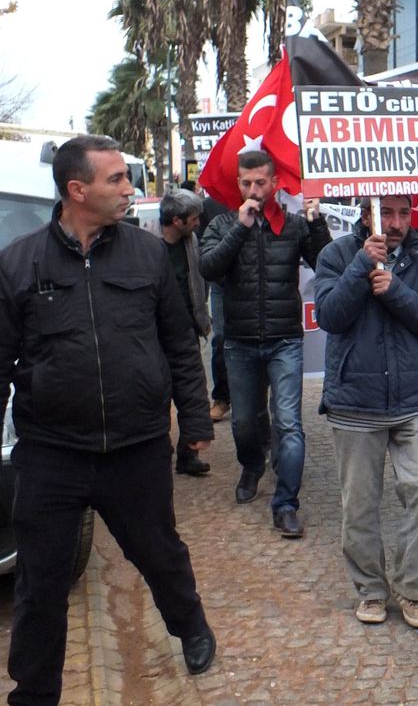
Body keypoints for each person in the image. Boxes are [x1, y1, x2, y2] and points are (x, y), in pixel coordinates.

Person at [0, 136, 217, 703]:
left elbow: (178, 343)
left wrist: (195, 420)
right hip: (51, 452)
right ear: (78, 190)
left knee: (159, 552)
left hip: (136, 446)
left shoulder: (146, 255)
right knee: (40, 583)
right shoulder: (19, 262)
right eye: (117, 179)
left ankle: (189, 624)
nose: (130, 189)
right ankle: (33, 692)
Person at [314, 195, 418, 629]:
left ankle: (411, 589)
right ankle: (371, 590)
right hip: (356, 401)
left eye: (403, 213)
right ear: (364, 210)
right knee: (359, 507)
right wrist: (360, 268)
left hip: (412, 400)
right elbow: (329, 316)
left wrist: (395, 289)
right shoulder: (336, 254)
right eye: (385, 212)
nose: (394, 223)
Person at [199, 149, 331, 538]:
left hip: (284, 340)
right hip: (239, 342)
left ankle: (286, 504)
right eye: (246, 182)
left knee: (289, 423)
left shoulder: (292, 225)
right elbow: (209, 268)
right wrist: (240, 228)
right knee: (244, 423)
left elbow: (325, 262)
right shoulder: (222, 224)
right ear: (237, 184)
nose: (254, 190)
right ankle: (253, 464)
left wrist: (317, 221)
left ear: (275, 184)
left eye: (260, 182)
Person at [159, 188, 214, 475]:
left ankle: (187, 454)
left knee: (193, 395)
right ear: (176, 221)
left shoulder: (192, 242)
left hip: (188, 330)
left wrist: (201, 318)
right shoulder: (151, 247)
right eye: (193, 219)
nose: (198, 223)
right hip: (156, 336)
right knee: (158, 396)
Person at [198, 192, 233, 422]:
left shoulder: (267, 201)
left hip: (259, 285)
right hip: (223, 285)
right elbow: (202, 253)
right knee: (221, 339)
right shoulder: (210, 206)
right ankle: (222, 398)